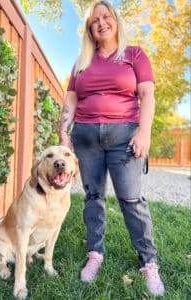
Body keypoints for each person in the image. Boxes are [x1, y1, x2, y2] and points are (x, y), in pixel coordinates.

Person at [59, 0, 165, 296]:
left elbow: (147, 94)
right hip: (86, 136)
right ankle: (95, 253)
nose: (101, 22)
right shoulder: (81, 61)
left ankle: (149, 261)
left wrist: (144, 132)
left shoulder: (134, 54)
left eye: (106, 16)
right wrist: (63, 135)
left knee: (132, 200)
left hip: (125, 136)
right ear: (90, 29)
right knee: (93, 197)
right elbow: (70, 99)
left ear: (115, 20)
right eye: (95, 20)